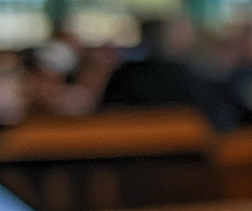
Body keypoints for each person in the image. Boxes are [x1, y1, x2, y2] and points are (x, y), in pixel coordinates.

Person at [100, 17, 238, 130]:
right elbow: (220, 122)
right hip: (191, 157)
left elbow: (106, 113)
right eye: (183, 32)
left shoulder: (124, 75)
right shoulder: (190, 78)